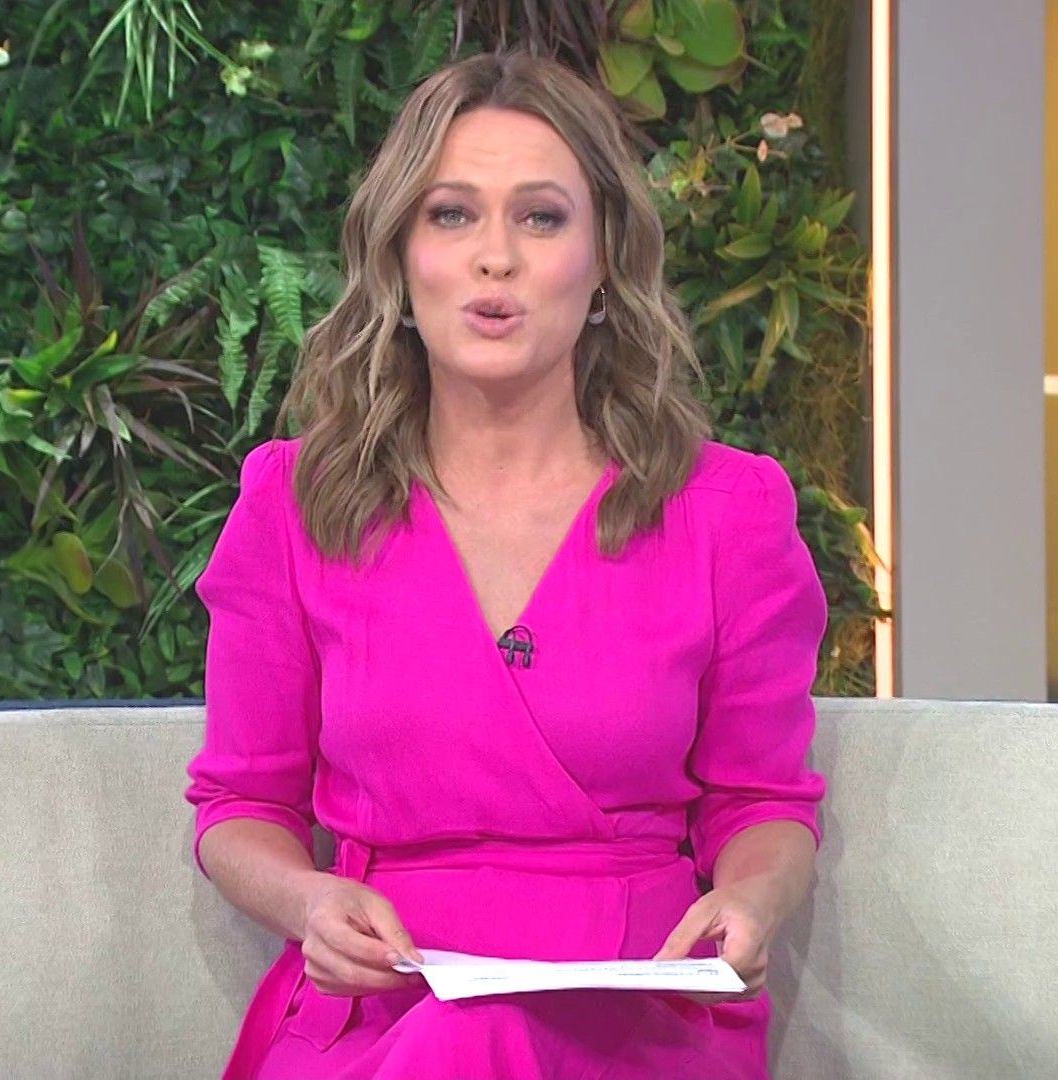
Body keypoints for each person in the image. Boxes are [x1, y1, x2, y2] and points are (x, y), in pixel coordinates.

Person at [184, 47, 829, 1080]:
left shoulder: (727, 514)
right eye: (451, 215)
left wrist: (751, 899)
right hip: (385, 1006)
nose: (496, 257)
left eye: (541, 217)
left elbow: (762, 803)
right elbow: (241, 807)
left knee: (477, 1044)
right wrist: (308, 902)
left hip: (635, 1012)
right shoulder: (294, 505)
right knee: (458, 1042)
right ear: (400, 259)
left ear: (605, 261)